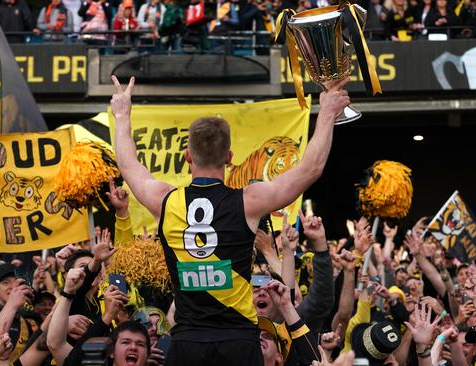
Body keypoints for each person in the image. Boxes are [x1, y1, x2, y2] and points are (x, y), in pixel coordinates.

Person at [110, 72, 350, 365]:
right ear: (229, 157)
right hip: (238, 342)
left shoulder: (166, 200)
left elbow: (128, 165)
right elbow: (310, 169)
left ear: (187, 156)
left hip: (188, 342)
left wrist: (122, 114)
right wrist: (326, 111)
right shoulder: (248, 202)